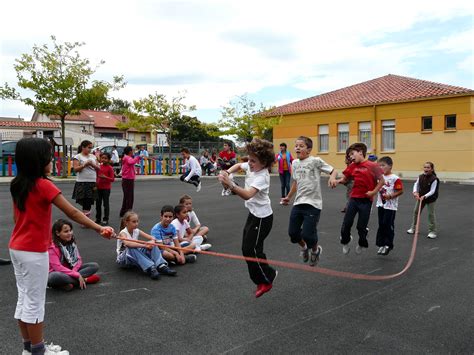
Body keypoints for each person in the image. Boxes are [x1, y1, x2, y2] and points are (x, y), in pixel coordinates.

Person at [9, 138, 113, 355]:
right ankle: (38, 351)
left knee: (24, 298)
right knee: (35, 303)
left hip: (17, 249)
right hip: (33, 252)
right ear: (39, 161)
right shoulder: (44, 185)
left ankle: (30, 348)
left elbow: (16, 219)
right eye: (48, 157)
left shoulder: (17, 183)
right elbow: (73, 213)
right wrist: (99, 228)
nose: (52, 161)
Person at [218, 138, 277, 298]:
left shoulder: (262, 176)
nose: (249, 163)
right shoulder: (252, 167)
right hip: (254, 215)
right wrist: (227, 172)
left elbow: (247, 195)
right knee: (250, 249)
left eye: (253, 161)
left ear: (264, 162)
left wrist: (230, 184)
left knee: (250, 249)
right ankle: (266, 275)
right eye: (249, 159)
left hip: (262, 218)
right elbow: (238, 165)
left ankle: (267, 279)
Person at [281, 136, 337, 267]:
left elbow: (333, 170)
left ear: (309, 149)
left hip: (313, 204)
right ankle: (304, 247)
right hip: (298, 202)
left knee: (307, 234)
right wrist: (288, 197)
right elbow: (295, 182)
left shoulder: (315, 161)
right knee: (293, 234)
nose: (297, 148)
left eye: (301, 146)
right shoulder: (294, 163)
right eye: (296, 146)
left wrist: (332, 178)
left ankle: (315, 250)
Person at [334, 143, 385, 255]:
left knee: (361, 227)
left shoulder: (373, 166)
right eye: (349, 155)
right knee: (346, 223)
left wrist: (373, 192)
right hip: (354, 199)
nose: (351, 157)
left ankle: (362, 243)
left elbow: (382, 181)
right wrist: (337, 181)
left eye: (352, 154)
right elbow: (345, 178)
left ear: (361, 152)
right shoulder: (352, 166)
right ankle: (345, 241)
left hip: (366, 201)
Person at [116, 211, 177, 279]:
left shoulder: (136, 230)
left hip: (134, 257)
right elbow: (128, 243)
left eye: (137, 221)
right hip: (124, 260)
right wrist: (145, 245)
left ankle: (161, 265)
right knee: (130, 247)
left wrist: (152, 242)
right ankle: (150, 268)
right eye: (134, 222)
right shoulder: (123, 233)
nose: (136, 224)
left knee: (152, 244)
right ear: (126, 222)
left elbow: (152, 238)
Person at [48, 219, 101, 291]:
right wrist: (77, 275)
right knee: (54, 276)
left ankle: (66, 284)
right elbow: (58, 268)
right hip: (58, 273)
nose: (70, 233)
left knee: (94, 266)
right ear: (57, 233)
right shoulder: (52, 247)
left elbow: (78, 260)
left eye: (70, 230)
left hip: (71, 269)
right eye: (66, 231)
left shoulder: (71, 241)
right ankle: (84, 280)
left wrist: (74, 272)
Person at [375, 157, 404, 255]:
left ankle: (388, 244)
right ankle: (381, 244)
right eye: (379, 165)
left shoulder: (395, 178)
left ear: (390, 166)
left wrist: (391, 196)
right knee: (381, 224)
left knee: (388, 224)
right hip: (381, 204)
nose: (381, 167)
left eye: (383, 165)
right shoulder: (379, 177)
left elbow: (400, 191)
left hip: (390, 206)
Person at [407, 161, 439, 239]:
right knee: (416, 212)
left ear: (432, 169)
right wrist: (415, 192)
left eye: (428, 167)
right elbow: (416, 184)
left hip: (431, 199)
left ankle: (432, 231)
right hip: (421, 197)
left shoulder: (434, 179)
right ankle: (413, 228)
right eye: (425, 167)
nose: (426, 169)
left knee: (430, 214)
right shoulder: (420, 176)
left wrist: (425, 196)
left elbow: (432, 191)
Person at [72, 140, 99, 219]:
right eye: (88, 147)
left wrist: (92, 164)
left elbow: (98, 168)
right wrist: (85, 164)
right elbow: (76, 169)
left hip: (92, 181)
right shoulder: (78, 156)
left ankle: (85, 219)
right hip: (82, 182)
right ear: (83, 147)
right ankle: (85, 219)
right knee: (85, 201)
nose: (90, 149)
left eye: (91, 148)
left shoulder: (93, 156)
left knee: (89, 201)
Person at [119, 146, 141, 217]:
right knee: (129, 197)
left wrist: (138, 157)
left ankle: (123, 212)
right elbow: (131, 162)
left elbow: (132, 162)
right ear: (129, 151)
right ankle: (128, 213)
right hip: (128, 179)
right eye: (132, 150)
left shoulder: (126, 157)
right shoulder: (127, 158)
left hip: (128, 179)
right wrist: (138, 157)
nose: (133, 151)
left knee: (127, 197)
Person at [95, 152, 115, 225]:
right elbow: (97, 176)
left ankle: (105, 219)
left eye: (105, 158)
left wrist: (105, 177)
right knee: (98, 204)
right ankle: (98, 219)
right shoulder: (99, 167)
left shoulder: (110, 168)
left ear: (109, 160)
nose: (103, 159)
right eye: (102, 158)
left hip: (106, 189)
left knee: (105, 204)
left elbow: (112, 179)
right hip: (98, 188)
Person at [341, 148, 354, 213]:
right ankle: (348, 207)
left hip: (352, 181)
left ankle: (348, 207)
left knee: (350, 195)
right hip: (349, 181)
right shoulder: (349, 163)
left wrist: (343, 180)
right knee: (349, 194)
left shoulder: (352, 163)